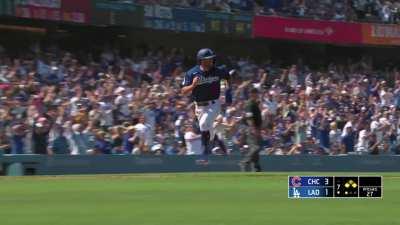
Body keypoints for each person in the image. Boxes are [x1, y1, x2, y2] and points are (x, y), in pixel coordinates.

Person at [181, 48, 231, 162]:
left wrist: (228, 92)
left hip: (214, 103)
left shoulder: (218, 71)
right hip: (199, 106)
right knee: (209, 130)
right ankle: (222, 149)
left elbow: (227, 76)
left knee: (204, 125)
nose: (211, 61)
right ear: (201, 61)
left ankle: (205, 155)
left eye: (211, 59)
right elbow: (183, 91)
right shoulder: (192, 73)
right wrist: (193, 86)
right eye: (208, 59)